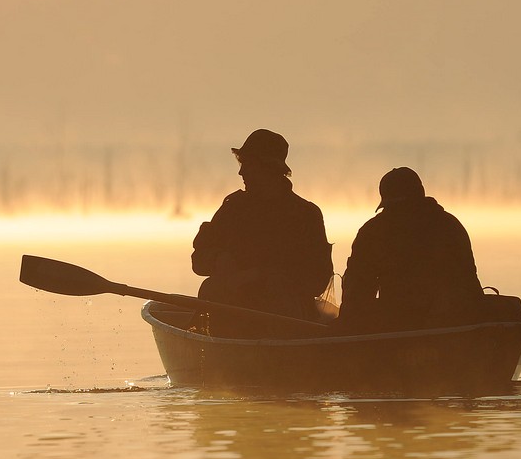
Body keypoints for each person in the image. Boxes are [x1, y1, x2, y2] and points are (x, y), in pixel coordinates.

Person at [191, 129, 333, 324]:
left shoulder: (305, 215)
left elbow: (317, 280)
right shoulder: (233, 208)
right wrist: (218, 259)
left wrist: (260, 277)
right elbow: (199, 260)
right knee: (211, 287)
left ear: (268, 168)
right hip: (231, 317)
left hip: (285, 320)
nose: (241, 171)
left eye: (247, 164)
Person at [338, 167, 484, 332]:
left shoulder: (375, 230)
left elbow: (358, 289)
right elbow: (469, 281)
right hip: (456, 321)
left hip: (401, 323)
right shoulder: (449, 225)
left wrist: (345, 326)